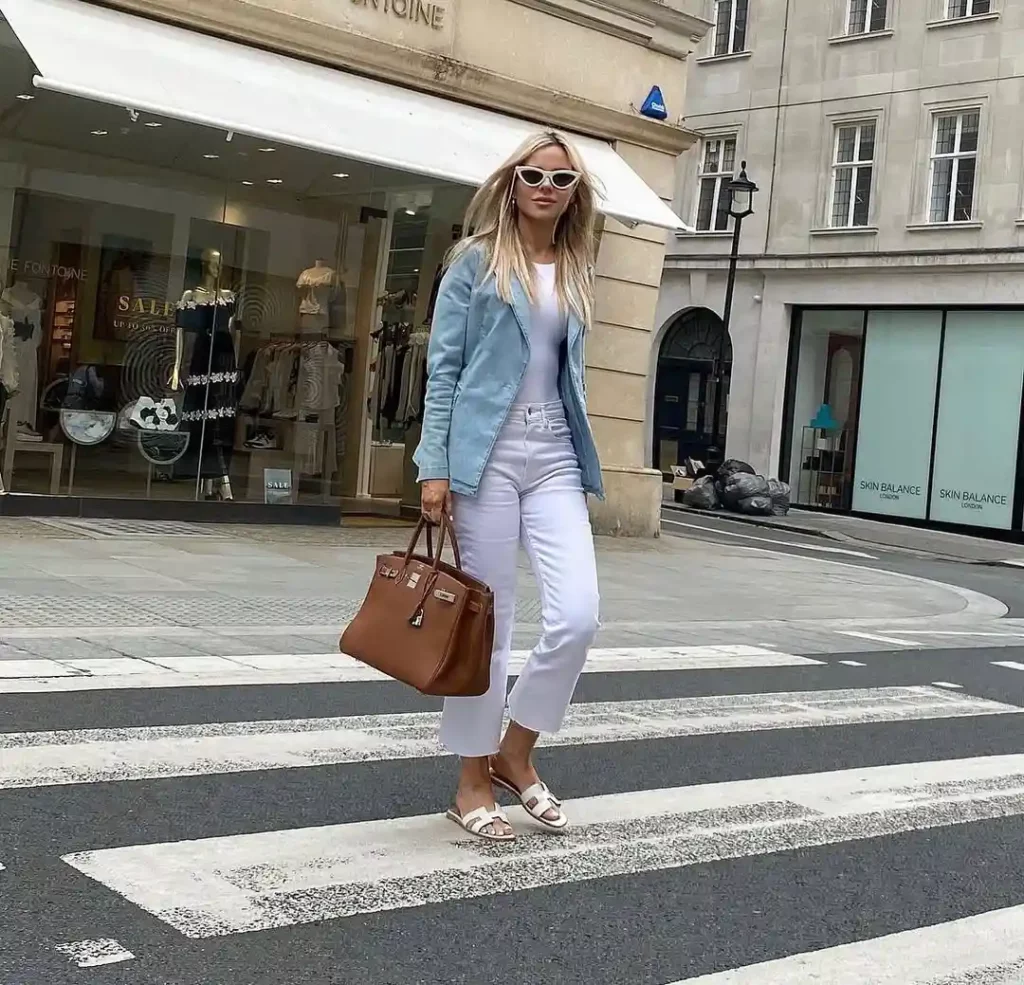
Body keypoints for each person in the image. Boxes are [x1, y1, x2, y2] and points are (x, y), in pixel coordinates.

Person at [413, 130, 604, 842]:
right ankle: (470, 777)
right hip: (486, 454)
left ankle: (513, 750)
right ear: (513, 182)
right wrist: (435, 465)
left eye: (560, 180)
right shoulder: (475, 262)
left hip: (553, 452)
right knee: (486, 626)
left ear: (574, 194)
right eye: (533, 175)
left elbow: (570, 376)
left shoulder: (579, 268)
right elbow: (446, 369)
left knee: (578, 613)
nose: (545, 188)